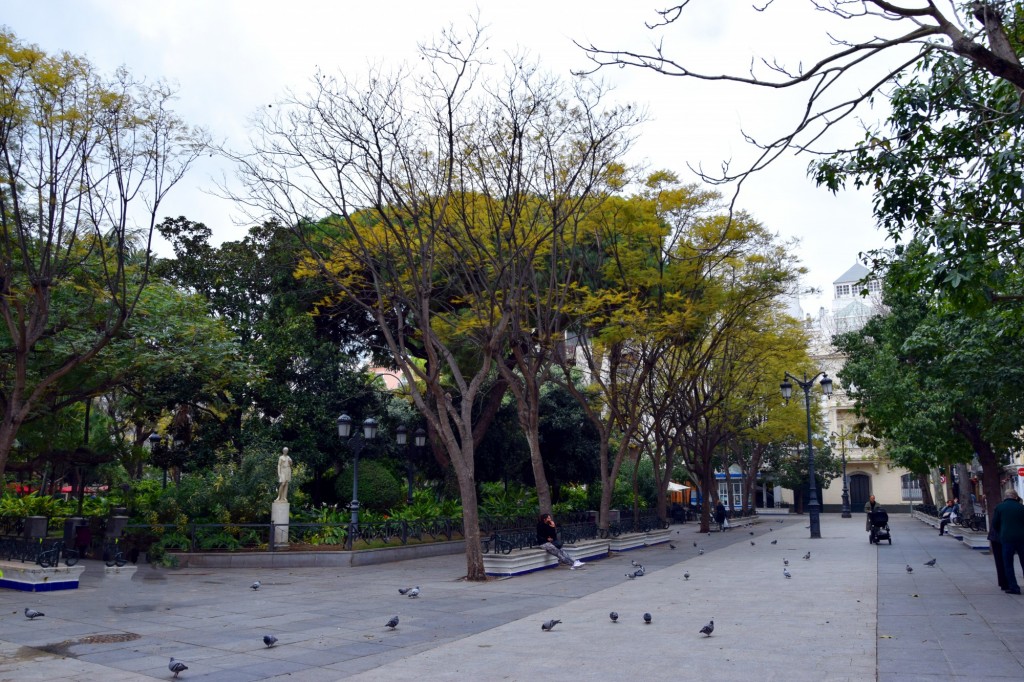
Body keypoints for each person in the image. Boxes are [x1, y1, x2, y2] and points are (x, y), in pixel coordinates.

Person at [991, 489, 1024, 595]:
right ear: (1016, 497)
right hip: (1022, 539)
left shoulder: (1000, 507)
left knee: (1008, 564)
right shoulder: (1021, 507)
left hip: (1006, 539)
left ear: (1005, 497)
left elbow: (995, 523)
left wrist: (1002, 532)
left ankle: (1014, 587)